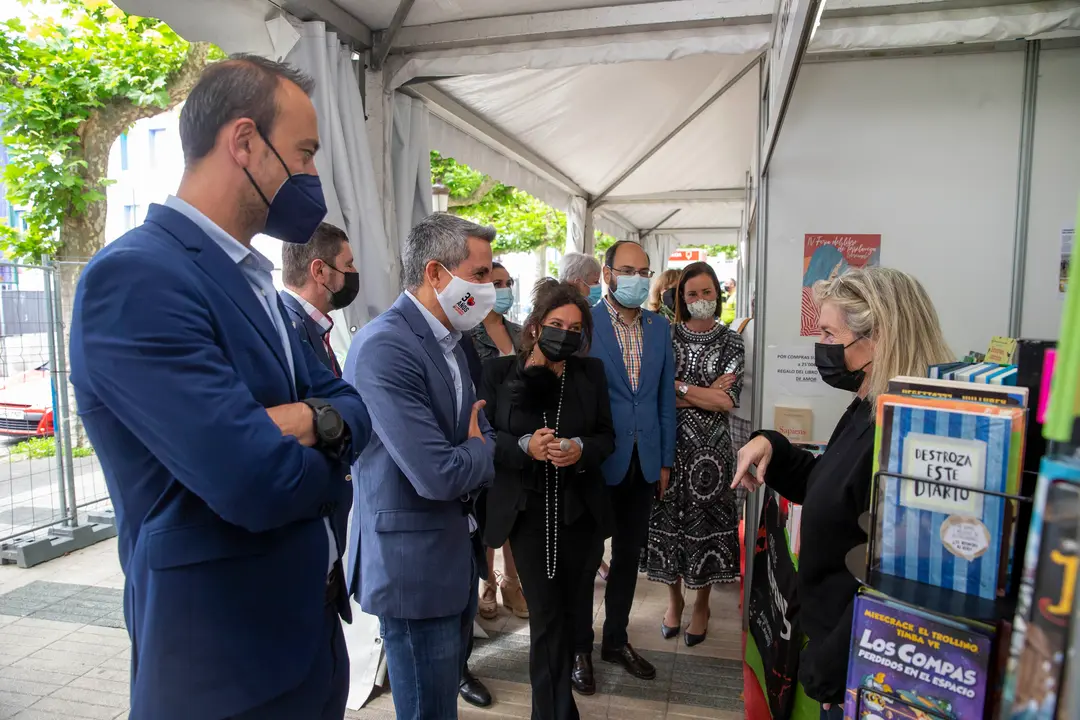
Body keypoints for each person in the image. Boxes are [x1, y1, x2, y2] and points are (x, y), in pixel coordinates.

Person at [68, 55, 372, 720]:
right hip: (224, 671)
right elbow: (251, 480)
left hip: (310, 641)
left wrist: (305, 420)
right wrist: (336, 458)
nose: (312, 175)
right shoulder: (138, 278)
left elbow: (354, 406)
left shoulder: (251, 278)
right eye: (305, 152)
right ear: (244, 141)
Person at [731, 267, 953, 720]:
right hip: (839, 648)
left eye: (831, 334)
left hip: (861, 666)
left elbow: (896, 578)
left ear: (880, 337)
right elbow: (831, 488)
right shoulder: (869, 406)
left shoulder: (910, 435)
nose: (823, 346)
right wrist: (773, 445)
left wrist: (830, 664)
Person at [345, 212, 497, 720]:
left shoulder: (452, 340)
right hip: (413, 566)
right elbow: (438, 472)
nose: (488, 288)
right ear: (435, 273)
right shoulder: (385, 346)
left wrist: (475, 448)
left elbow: (483, 429)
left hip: (451, 552)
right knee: (427, 711)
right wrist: (478, 451)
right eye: (479, 275)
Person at [480, 282, 615, 720]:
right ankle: (552, 712)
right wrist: (524, 446)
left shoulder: (589, 374)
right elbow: (485, 438)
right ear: (536, 326)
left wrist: (580, 448)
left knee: (571, 615)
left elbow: (606, 437)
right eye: (557, 324)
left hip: (579, 511)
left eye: (575, 328)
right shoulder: (500, 373)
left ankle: (558, 708)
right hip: (527, 513)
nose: (565, 334)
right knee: (545, 617)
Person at [571, 240, 676, 695]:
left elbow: (664, 398)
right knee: (587, 558)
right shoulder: (585, 323)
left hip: (645, 460)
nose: (637, 278)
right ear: (608, 274)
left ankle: (616, 639)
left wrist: (666, 459)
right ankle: (579, 647)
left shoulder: (660, 326)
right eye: (628, 270)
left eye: (644, 271)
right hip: (597, 461)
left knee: (629, 556)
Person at [641, 262, 744, 646]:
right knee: (666, 523)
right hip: (668, 447)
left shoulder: (732, 341)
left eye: (707, 292)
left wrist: (679, 389)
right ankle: (675, 601)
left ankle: (701, 605)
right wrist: (701, 392)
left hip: (712, 455)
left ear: (718, 294)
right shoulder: (665, 337)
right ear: (680, 298)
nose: (701, 299)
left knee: (705, 529)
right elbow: (653, 395)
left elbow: (725, 401)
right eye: (692, 294)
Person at [469, 262, 530, 622]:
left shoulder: (521, 334)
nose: (504, 289)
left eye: (508, 282)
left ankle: (512, 582)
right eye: (496, 282)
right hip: (482, 431)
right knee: (486, 510)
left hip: (517, 433)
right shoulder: (466, 334)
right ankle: (487, 581)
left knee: (514, 510)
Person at [456, 332, 496, 709]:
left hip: (472, 494)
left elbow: (483, 420)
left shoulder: (459, 343)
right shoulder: (394, 345)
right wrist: (476, 450)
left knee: (467, 593)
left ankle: (461, 666)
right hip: (441, 492)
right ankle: (454, 670)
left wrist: (480, 450)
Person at [280, 222, 358, 376]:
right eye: (348, 265)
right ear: (320, 271)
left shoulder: (308, 324)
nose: (354, 271)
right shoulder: (290, 330)